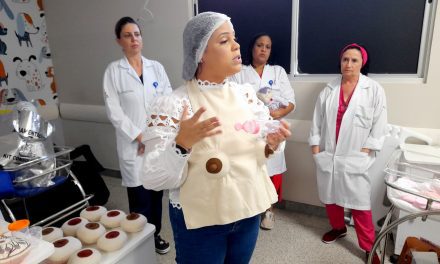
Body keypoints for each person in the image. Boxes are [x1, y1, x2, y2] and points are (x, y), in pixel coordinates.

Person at [140, 12, 291, 263]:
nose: (237, 45)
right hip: (201, 222)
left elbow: (259, 151)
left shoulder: (246, 96)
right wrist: (182, 144)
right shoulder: (173, 104)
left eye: (235, 38)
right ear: (200, 53)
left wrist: (271, 144)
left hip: (248, 211)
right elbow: (153, 177)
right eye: (224, 40)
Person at [309, 43, 387, 264]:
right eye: (345, 59)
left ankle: (368, 247)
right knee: (331, 199)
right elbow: (317, 121)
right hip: (328, 154)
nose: (348, 64)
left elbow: (380, 123)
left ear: (362, 63)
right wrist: (316, 149)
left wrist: (367, 149)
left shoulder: (373, 89)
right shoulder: (328, 89)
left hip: (356, 156)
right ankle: (338, 228)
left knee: (360, 204)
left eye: (354, 60)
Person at [103, 16, 172, 254]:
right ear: (118, 41)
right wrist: (140, 137)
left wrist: (153, 136)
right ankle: (141, 241)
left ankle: (156, 235)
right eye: (128, 35)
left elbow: (168, 103)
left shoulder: (157, 68)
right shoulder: (114, 71)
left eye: (137, 34)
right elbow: (114, 111)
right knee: (139, 197)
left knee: (155, 194)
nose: (134, 39)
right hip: (133, 145)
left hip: (157, 142)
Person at [230, 33, 296, 230]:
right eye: (260, 45)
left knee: (273, 171)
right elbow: (231, 99)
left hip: (273, 126)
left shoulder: (277, 72)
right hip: (247, 129)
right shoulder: (240, 72)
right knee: (249, 168)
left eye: (267, 46)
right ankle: (249, 209)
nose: (263, 50)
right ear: (252, 48)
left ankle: (269, 211)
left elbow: (291, 102)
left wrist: (277, 113)